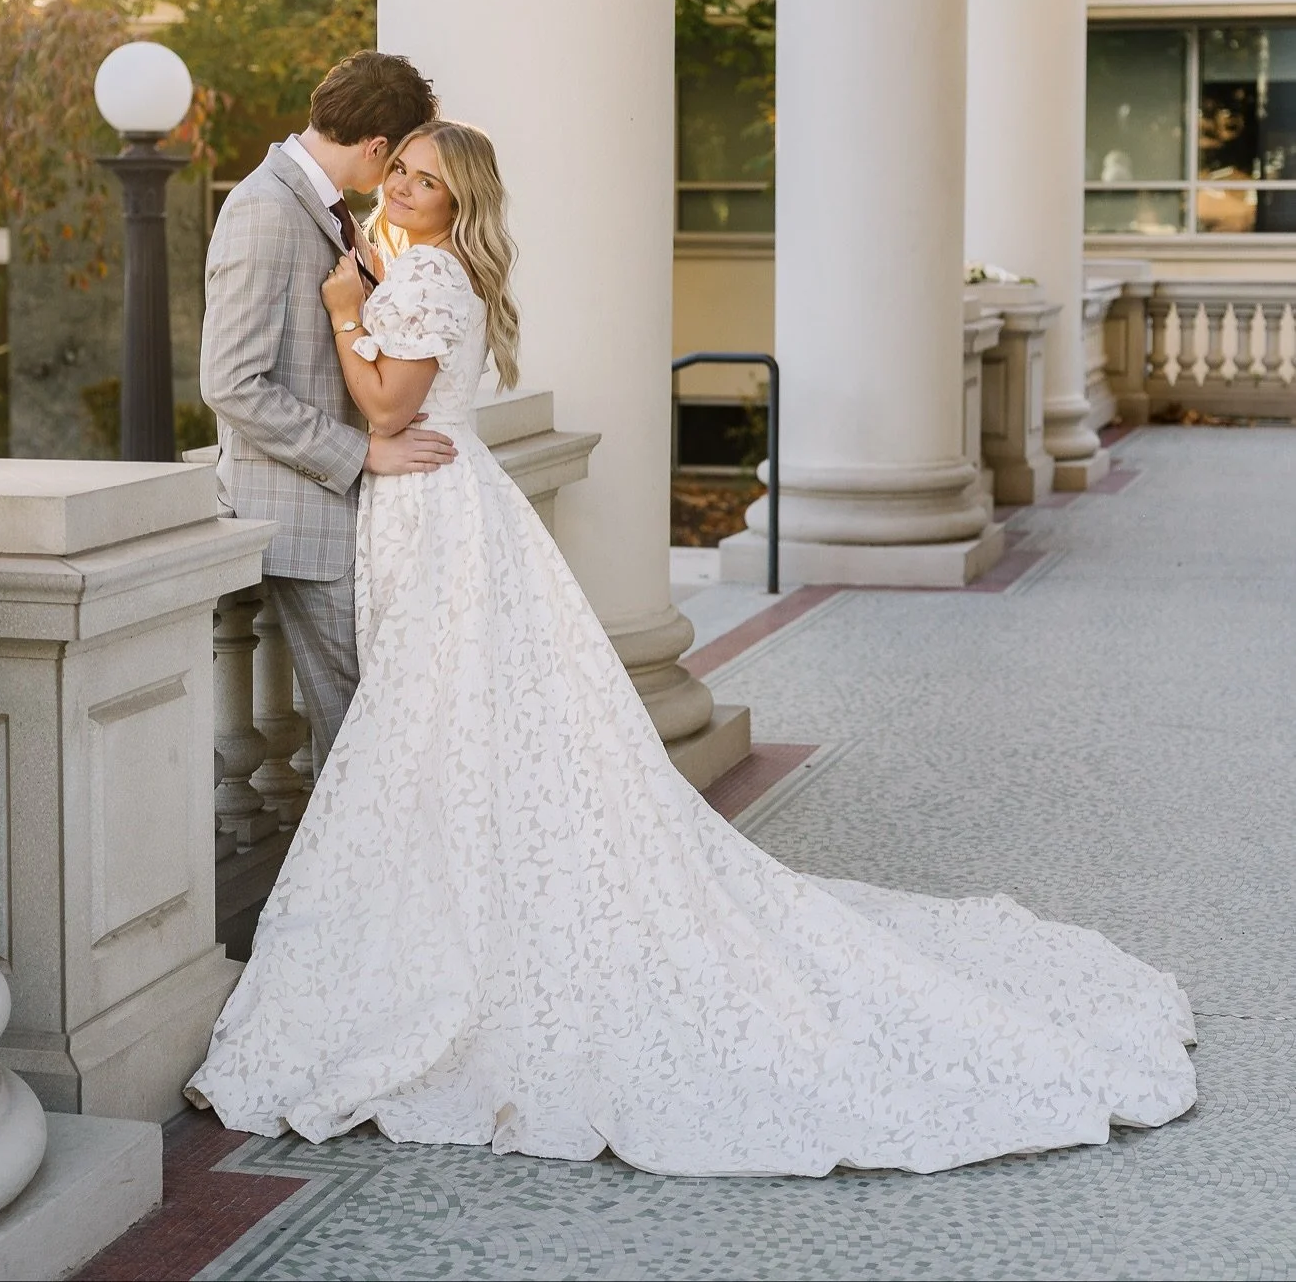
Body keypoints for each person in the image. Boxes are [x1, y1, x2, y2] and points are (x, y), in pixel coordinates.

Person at [188, 120, 1197, 1177]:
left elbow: (389, 403)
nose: (401, 186)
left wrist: (348, 314)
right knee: (441, 721)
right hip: (425, 511)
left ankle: (458, 937)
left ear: (459, 201)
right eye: (398, 168)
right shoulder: (419, 262)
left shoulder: (428, 277)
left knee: (430, 713)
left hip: (434, 509)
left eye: (426, 180)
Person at [200, 51, 456, 772]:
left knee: (380, 725)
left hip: (349, 519)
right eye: (399, 159)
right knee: (366, 738)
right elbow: (230, 381)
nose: (398, 175)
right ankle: (375, 884)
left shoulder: (319, 206)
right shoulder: (265, 210)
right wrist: (362, 454)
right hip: (306, 524)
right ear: (378, 147)